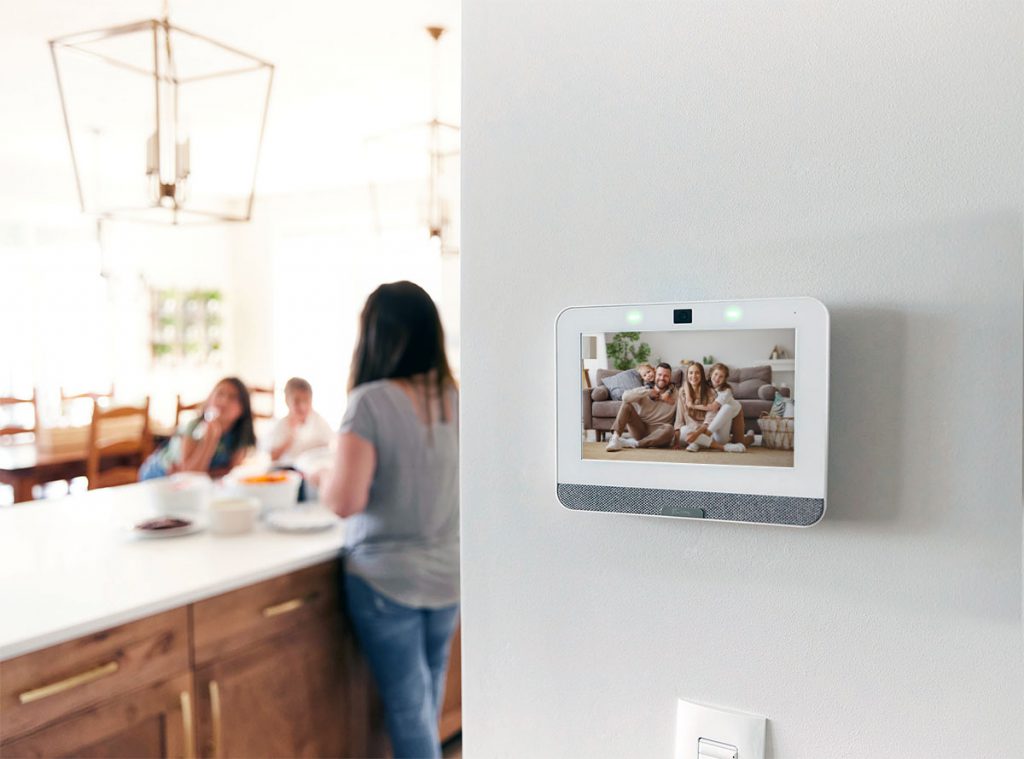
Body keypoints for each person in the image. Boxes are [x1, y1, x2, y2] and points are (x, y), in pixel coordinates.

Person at [318, 281, 459, 759]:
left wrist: (320, 476)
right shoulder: (457, 397)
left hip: (386, 578)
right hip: (449, 574)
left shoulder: (370, 402)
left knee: (407, 709)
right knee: (426, 699)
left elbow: (344, 502)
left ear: (376, 336)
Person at [139, 377, 256, 480]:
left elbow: (230, 471)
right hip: (158, 477)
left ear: (243, 408)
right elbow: (189, 476)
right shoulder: (194, 428)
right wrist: (210, 439)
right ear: (209, 399)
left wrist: (203, 472)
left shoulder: (240, 436)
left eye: (233, 397)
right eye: (220, 394)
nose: (224, 401)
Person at [606, 362, 678, 451]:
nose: (662, 378)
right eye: (659, 374)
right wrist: (648, 392)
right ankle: (615, 438)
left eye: (666, 376)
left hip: (660, 432)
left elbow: (681, 415)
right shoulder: (645, 389)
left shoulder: (675, 394)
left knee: (670, 429)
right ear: (655, 374)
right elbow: (625, 397)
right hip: (640, 429)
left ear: (670, 377)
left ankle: (634, 444)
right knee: (626, 405)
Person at [681, 363, 748, 453]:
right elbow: (687, 383)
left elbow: (713, 407)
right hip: (714, 421)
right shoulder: (706, 384)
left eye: (721, 376)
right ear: (711, 374)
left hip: (733, 413)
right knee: (684, 430)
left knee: (741, 441)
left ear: (724, 379)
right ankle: (703, 441)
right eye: (716, 374)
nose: (717, 378)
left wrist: (692, 405)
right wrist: (688, 397)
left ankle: (701, 439)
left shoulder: (726, 391)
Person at [267, 377, 333, 465]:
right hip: (289, 469)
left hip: (313, 468)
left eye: (306, 400)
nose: (302, 407)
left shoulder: (319, 421)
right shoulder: (282, 424)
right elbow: (273, 457)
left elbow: (332, 446)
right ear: (287, 400)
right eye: (296, 401)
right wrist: (290, 438)